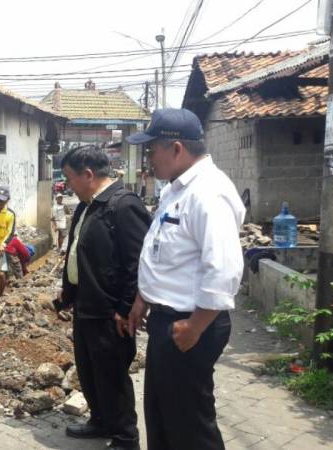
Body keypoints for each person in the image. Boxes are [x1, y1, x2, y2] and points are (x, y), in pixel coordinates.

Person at [126, 108, 245, 450]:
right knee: (163, 417)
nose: (149, 158)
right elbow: (164, 251)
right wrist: (142, 297)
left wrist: (195, 326)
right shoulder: (176, 190)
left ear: (176, 149)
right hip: (168, 320)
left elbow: (222, 268)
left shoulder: (208, 193)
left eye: (152, 149)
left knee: (190, 428)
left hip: (191, 324)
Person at [54, 147, 150, 450]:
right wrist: (68, 292)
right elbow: (78, 251)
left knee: (111, 375)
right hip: (86, 304)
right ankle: (100, 420)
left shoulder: (123, 206)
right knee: (89, 369)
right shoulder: (88, 205)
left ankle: (125, 437)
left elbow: (139, 263)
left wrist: (125, 309)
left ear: (88, 175)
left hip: (111, 312)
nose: (69, 185)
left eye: (70, 178)